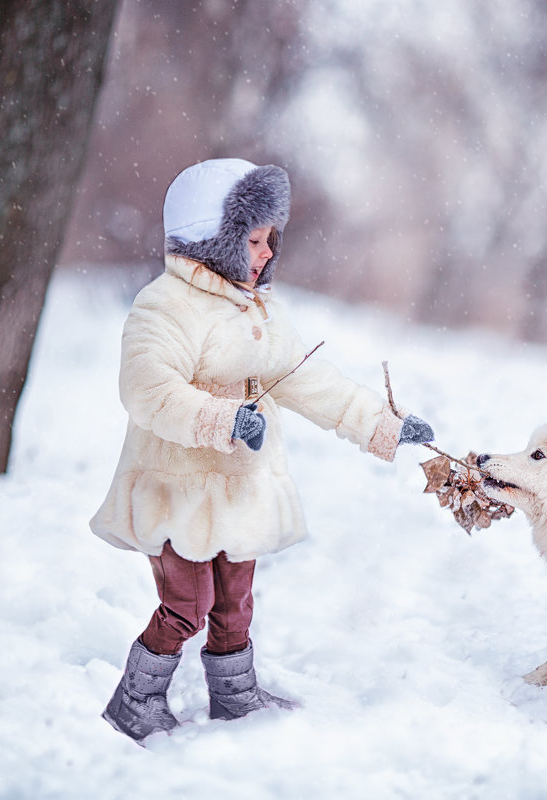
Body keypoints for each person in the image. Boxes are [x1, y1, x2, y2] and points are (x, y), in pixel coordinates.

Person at [90, 158, 435, 742]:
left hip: (239, 488)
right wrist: (220, 420)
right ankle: (137, 698)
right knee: (187, 604)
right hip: (181, 485)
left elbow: (309, 380)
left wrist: (382, 424)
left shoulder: (260, 311)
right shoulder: (165, 305)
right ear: (212, 238)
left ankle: (234, 694)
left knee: (235, 601)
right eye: (253, 239)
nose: (267, 252)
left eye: (272, 239)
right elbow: (148, 389)